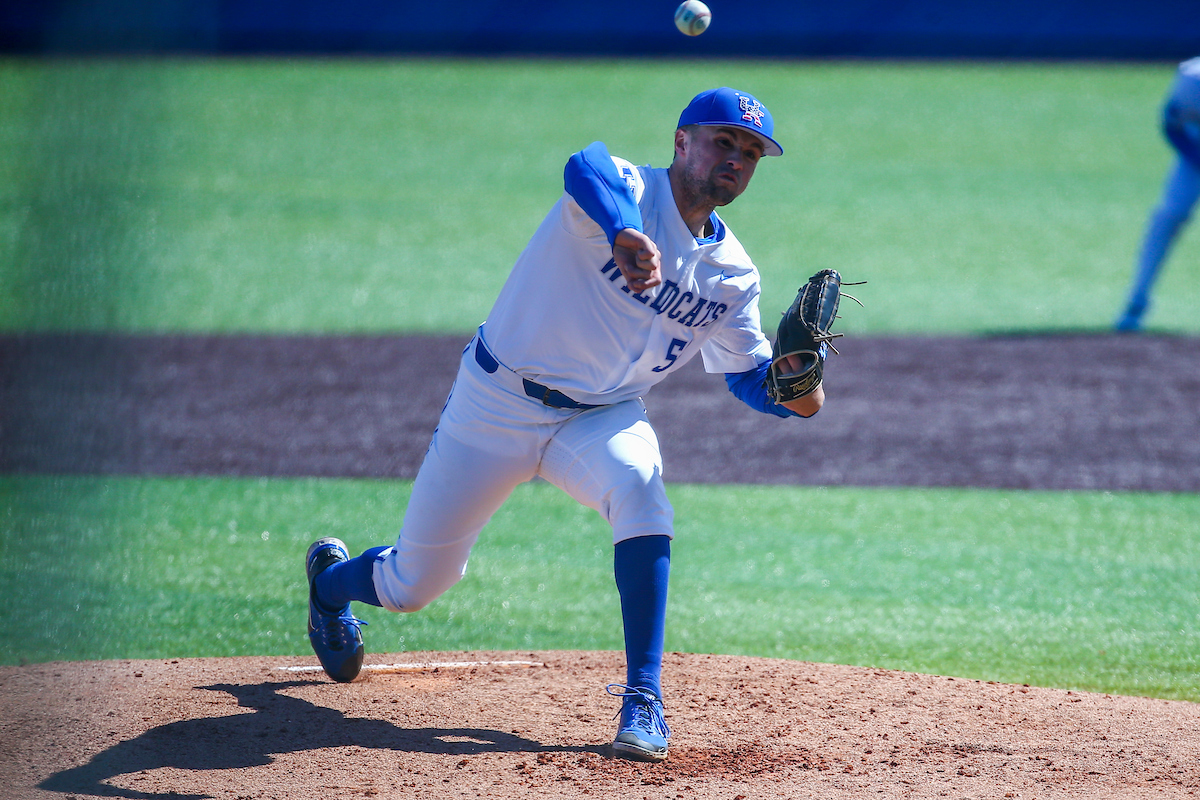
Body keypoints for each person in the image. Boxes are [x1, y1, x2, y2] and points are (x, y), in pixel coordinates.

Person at [303, 87, 827, 763]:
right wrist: (621, 231)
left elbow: (750, 378)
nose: (736, 158)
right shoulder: (625, 189)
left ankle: (644, 699)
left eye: (751, 151)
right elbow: (583, 164)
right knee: (412, 585)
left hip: (601, 417)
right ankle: (327, 585)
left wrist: (800, 390)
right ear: (681, 141)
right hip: (496, 402)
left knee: (641, 487)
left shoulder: (734, 277)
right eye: (723, 140)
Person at [1116, 57, 1200, 331]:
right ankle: (1136, 302)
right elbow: (1171, 124)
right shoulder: (1192, 77)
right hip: (1195, 155)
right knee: (1168, 216)